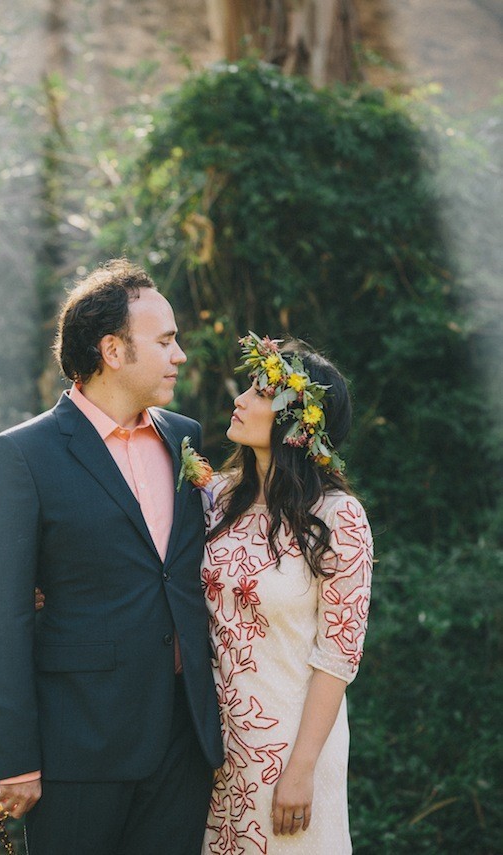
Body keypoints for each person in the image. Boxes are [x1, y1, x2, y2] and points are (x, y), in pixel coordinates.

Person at [0, 258, 223, 855]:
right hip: (77, 745)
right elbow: (0, 614)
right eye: (164, 341)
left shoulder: (183, 436)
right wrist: (16, 757)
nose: (180, 355)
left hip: (184, 741)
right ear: (113, 350)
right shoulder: (23, 455)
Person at [201, 332, 374, 854]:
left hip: (292, 749)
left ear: (297, 422)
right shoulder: (214, 498)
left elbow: (338, 656)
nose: (239, 400)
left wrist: (301, 768)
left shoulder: (339, 518)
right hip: (210, 747)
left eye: (259, 393)